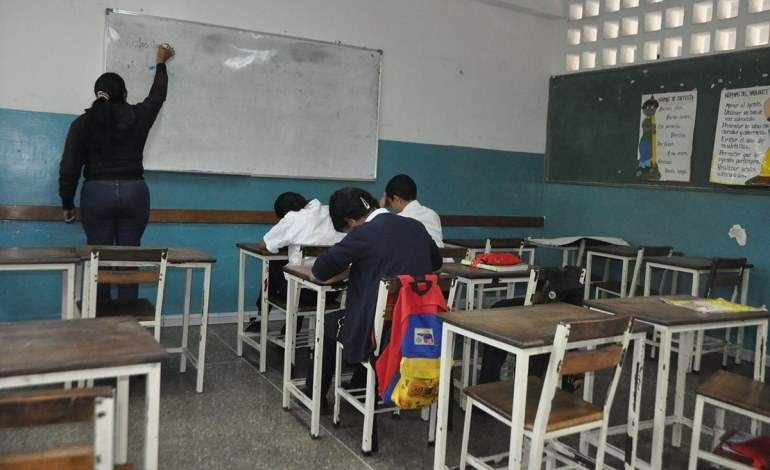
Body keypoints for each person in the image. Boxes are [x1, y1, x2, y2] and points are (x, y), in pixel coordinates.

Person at [306, 187, 442, 407]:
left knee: (329, 322)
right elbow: (436, 264)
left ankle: (315, 396)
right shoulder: (415, 226)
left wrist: (350, 271)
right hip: (419, 326)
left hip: (380, 334)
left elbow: (319, 272)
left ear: (350, 220)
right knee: (373, 313)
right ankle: (361, 384)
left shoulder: (363, 233)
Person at [58, 43, 175, 300]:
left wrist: (67, 203)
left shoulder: (81, 124)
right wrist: (161, 64)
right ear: (124, 93)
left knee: (98, 260)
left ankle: (100, 316)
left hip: (96, 194)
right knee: (129, 260)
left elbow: (69, 167)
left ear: (98, 94)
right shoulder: (138, 115)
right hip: (135, 193)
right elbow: (157, 96)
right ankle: (128, 318)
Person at [246, 192, 344, 332]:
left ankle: (261, 318)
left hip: (301, 294)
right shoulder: (331, 212)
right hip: (333, 291)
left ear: (284, 213)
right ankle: (290, 329)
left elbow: (264, 244)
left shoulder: (293, 217)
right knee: (300, 270)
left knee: (275, 268)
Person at [381, 174, 444, 247]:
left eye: (390, 202)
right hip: (441, 253)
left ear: (396, 199)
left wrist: (380, 208)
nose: (392, 207)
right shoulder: (433, 214)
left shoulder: (399, 220)